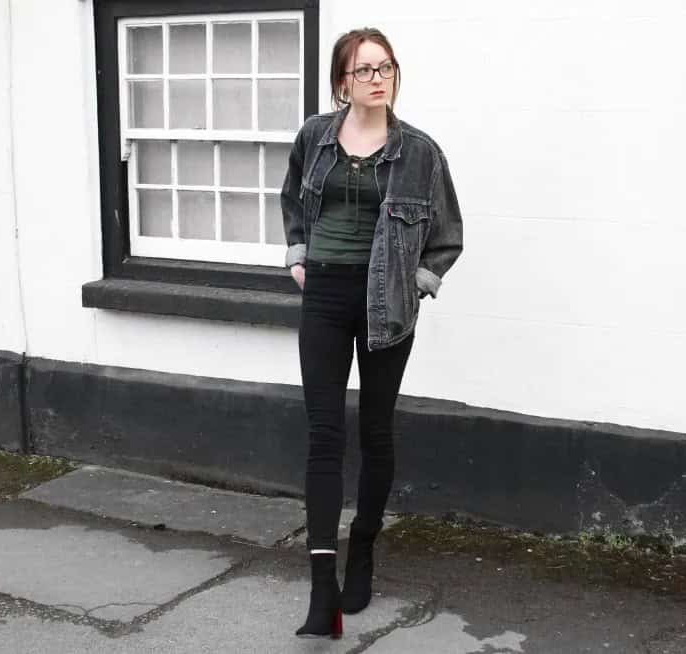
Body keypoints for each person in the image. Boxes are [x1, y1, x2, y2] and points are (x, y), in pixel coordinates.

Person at [281, 26, 463, 639]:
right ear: (342, 82)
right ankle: (320, 589)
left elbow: (447, 234)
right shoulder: (313, 137)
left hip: (387, 304)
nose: (378, 77)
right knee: (323, 434)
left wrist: (418, 281)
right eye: (364, 69)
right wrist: (299, 258)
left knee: (375, 431)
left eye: (385, 67)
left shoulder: (420, 152)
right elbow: (291, 201)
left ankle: (363, 550)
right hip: (326, 297)